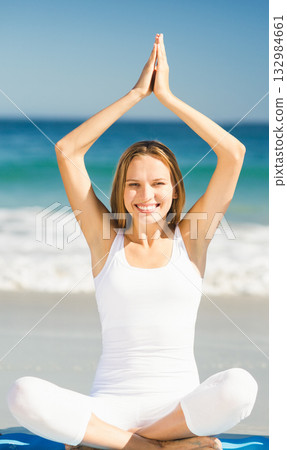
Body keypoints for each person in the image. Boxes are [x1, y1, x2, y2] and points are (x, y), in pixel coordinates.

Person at [7, 34, 258, 450]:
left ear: (175, 190)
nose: (146, 196)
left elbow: (233, 153)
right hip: (110, 407)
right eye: (134, 184)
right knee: (22, 394)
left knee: (240, 387)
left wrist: (168, 97)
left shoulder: (192, 239)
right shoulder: (105, 240)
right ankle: (152, 446)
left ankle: (118, 443)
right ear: (120, 191)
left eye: (158, 184)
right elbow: (68, 150)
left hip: (181, 408)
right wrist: (136, 94)